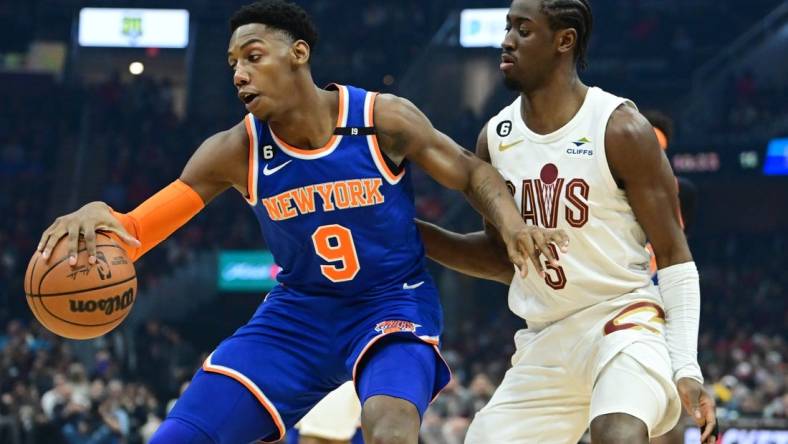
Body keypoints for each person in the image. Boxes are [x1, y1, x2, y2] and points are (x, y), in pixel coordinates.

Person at [36, 1, 565, 443]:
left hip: (391, 302)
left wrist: (513, 225)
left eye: (253, 56)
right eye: (232, 64)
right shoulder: (235, 149)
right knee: (178, 436)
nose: (239, 73)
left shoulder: (380, 120)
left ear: (298, 53)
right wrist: (102, 218)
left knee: (390, 430)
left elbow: (473, 174)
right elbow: (138, 230)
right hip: (297, 317)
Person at [416, 0, 718, 443]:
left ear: (564, 40)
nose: (506, 41)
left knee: (617, 432)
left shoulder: (619, 127)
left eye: (523, 30)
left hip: (624, 324)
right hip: (546, 338)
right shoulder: (496, 138)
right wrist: (412, 232)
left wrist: (686, 365)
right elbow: (503, 260)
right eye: (507, 28)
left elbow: (674, 256)